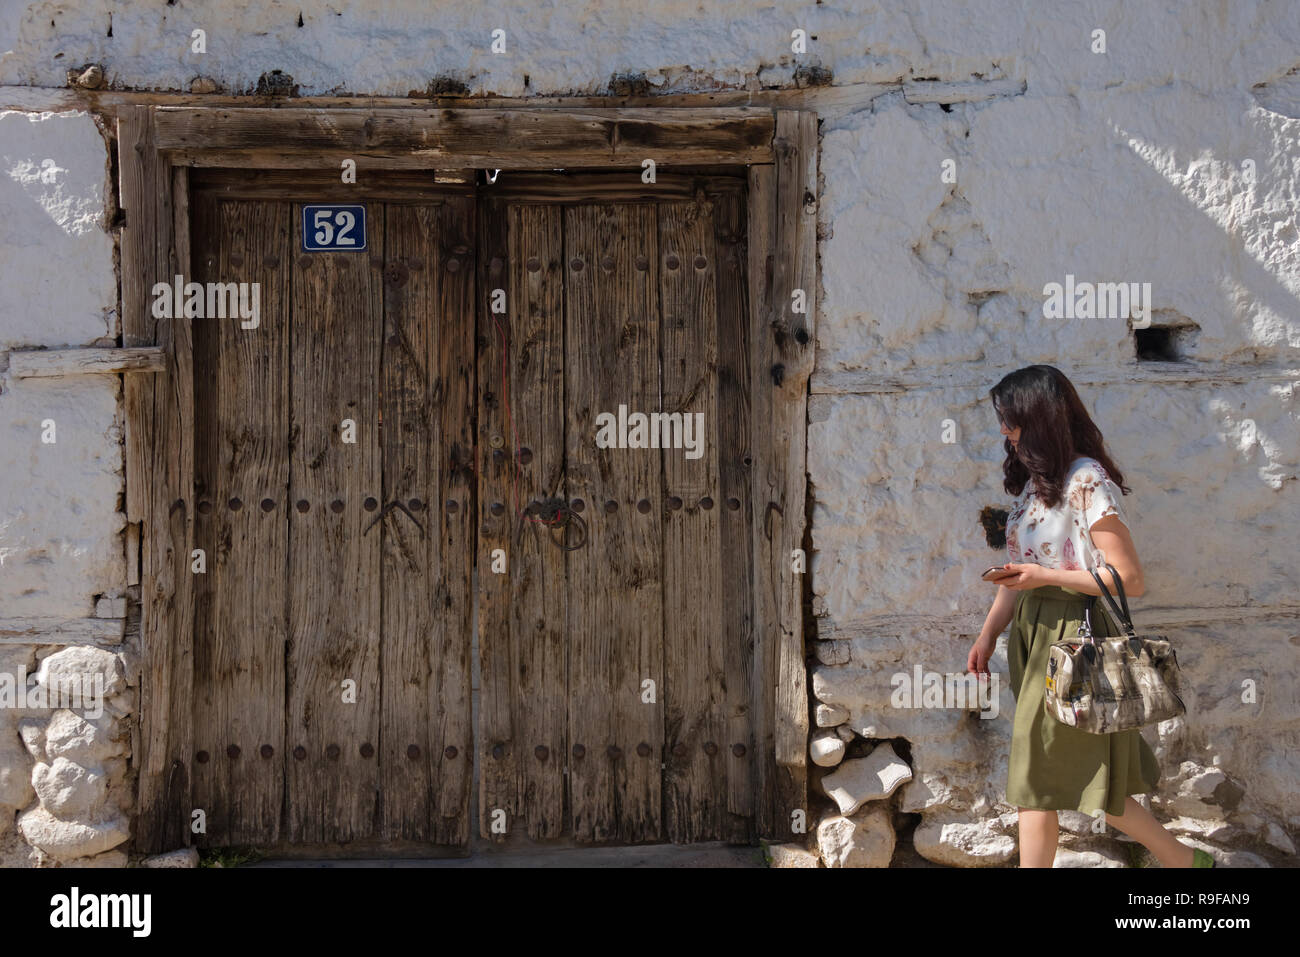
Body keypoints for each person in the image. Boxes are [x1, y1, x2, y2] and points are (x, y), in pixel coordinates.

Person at [966, 365, 1214, 868]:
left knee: (1036, 777)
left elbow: (1128, 579)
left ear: (1038, 420)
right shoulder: (1032, 492)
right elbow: (1022, 579)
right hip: (1034, 636)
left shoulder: (1087, 480)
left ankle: (1184, 863)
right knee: (1087, 774)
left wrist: (1045, 579)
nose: (1003, 432)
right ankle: (1185, 863)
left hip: (1075, 636)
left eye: (1010, 421)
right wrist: (989, 633)